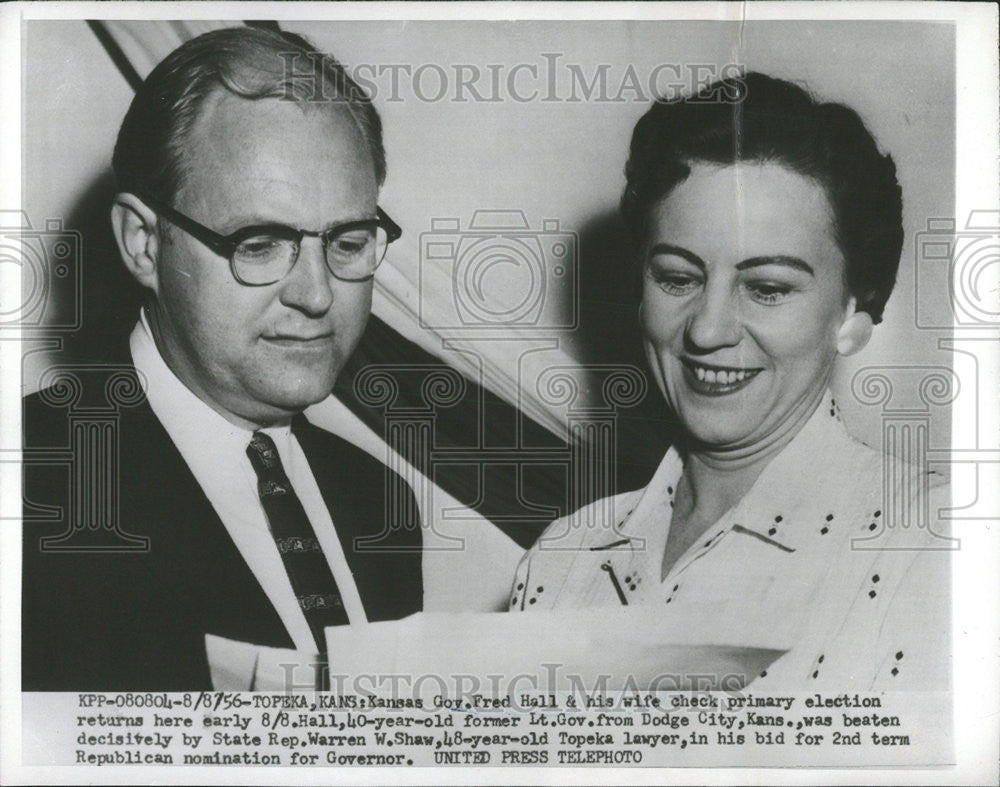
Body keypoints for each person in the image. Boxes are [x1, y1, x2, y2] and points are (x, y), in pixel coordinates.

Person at [510, 73, 951, 690]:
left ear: (854, 315)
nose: (707, 331)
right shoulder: (562, 559)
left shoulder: (935, 545)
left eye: (767, 288)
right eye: (676, 277)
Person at [22, 26, 423, 691]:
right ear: (144, 244)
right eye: (261, 243)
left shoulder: (382, 500)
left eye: (348, 241)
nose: (319, 295)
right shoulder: (28, 484)